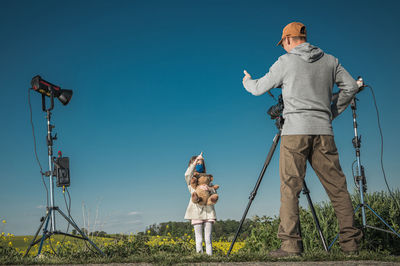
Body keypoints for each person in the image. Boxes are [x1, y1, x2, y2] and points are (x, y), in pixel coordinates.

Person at [242, 22, 362, 257]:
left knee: (290, 189)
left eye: (283, 43)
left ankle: (290, 246)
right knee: (338, 189)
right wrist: (330, 112)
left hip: (294, 132)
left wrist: (246, 80)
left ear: (287, 40)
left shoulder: (285, 62)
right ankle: (350, 246)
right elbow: (350, 88)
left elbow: (258, 88)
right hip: (324, 132)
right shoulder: (331, 61)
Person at [184, 152, 217, 255]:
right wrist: (196, 160)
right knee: (199, 239)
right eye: (197, 163)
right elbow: (187, 174)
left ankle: (210, 259)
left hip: (208, 211)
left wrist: (210, 189)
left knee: (208, 238)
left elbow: (214, 191)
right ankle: (200, 259)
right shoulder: (191, 181)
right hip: (196, 211)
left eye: (201, 163)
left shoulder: (206, 179)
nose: (199, 164)